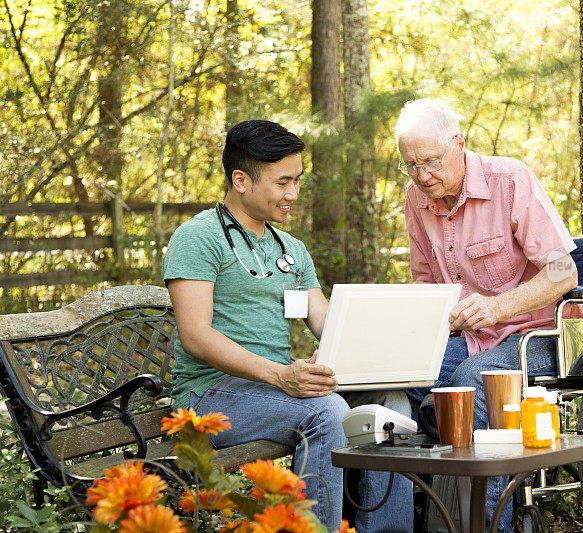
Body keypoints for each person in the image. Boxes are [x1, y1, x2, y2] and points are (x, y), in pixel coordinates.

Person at [162, 120, 413, 533]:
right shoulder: (198, 237)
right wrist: (282, 375)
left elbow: (324, 321)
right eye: (283, 183)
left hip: (269, 389)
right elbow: (195, 336)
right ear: (241, 180)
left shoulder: (290, 249)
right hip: (208, 394)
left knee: (392, 402)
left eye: (297, 181)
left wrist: (365, 354)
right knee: (326, 413)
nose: (293, 194)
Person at [395, 99, 583, 532]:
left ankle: (486, 525)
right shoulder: (417, 197)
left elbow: (564, 271)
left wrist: (498, 306)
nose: (422, 175)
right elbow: (426, 283)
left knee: (472, 381)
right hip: (470, 338)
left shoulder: (509, 178)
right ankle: (411, 516)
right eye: (410, 164)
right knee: (397, 375)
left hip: (541, 334)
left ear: (459, 144)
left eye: (430, 161)